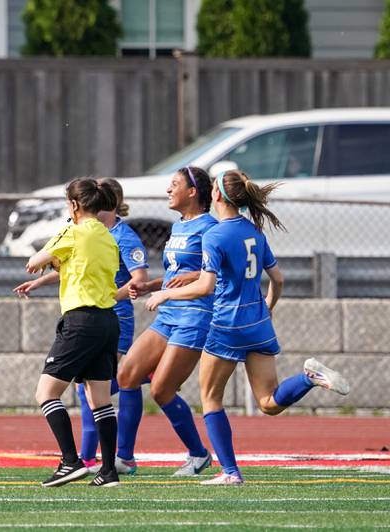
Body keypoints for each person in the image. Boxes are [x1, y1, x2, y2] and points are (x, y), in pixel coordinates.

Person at [144, 169, 350, 485]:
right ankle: (309, 378)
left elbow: (206, 287)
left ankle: (230, 473)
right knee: (268, 403)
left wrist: (166, 292)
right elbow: (278, 279)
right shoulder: (254, 231)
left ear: (216, 196)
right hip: (259, 324)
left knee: (211, 399)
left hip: (227, 324)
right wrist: (268, 307)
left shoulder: (215, 235)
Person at [14, 178, 148, 474]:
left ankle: (71, 461)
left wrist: (48, 261)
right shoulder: (109, 236)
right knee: (99, 399)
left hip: (80, 320)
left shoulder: (72, 231)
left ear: (74, 205)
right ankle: (109, 470)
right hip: (107, 320)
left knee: (46, 393)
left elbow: (33, 261)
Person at [116, 167, 216, 477]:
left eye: (174, 185)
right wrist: (150, 286)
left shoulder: (211, 228)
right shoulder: (180, 226)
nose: (168, 191)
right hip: (169, 314)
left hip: (194, 316)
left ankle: (199, 455)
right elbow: (176, 276)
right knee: (127, 375)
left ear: (192, 192)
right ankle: (124, 459)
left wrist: (187, 282)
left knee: (161, 390)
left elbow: (218, 274)